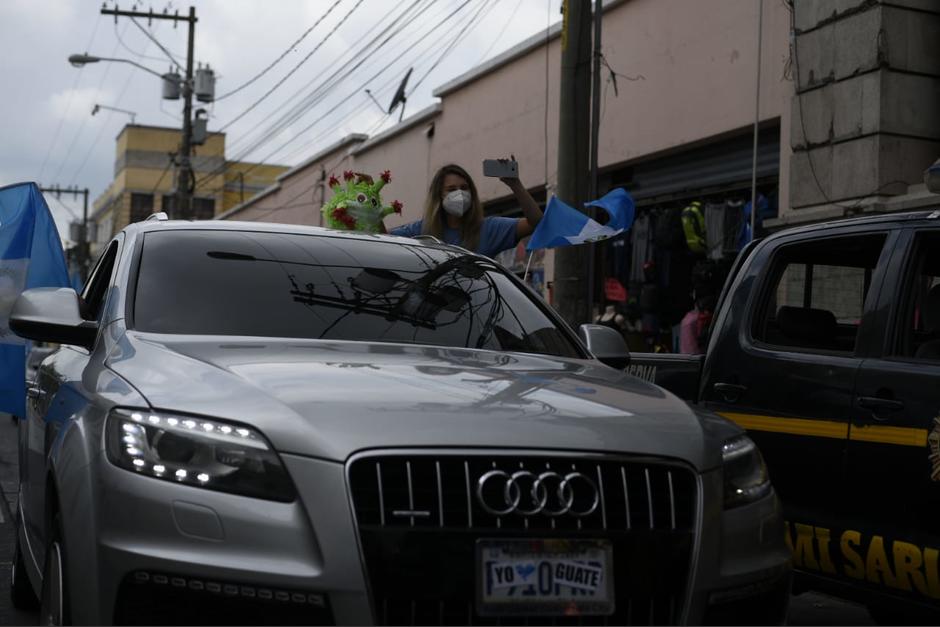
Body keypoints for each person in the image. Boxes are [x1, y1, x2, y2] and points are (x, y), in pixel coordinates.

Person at [387, 162, 543, 258]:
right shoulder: (422, 230)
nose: (459, 194)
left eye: (464, 188)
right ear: (439, 196)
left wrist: (515, 185)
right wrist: (368, 205)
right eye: (451, 189)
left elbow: (536, 222)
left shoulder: (488, 229)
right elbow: (382, 239)